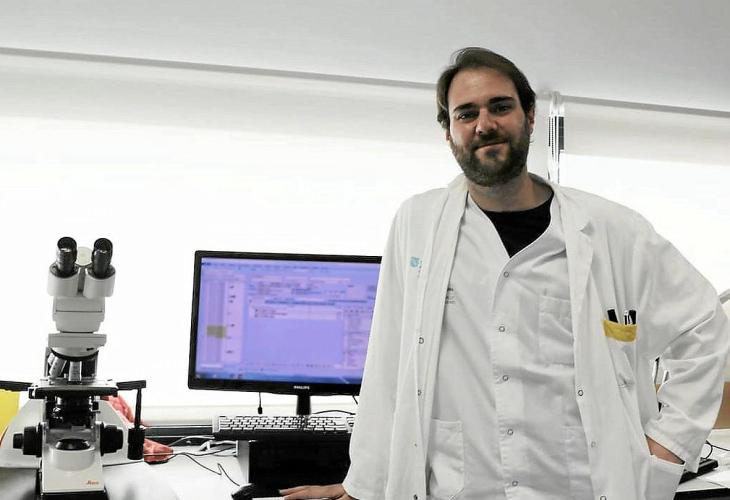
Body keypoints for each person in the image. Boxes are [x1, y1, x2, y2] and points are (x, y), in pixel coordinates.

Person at [281, 47, 730, 500]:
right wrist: (364, 485)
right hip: (459, 489)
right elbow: (388, 363)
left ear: (530, 117)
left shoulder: (613, 230)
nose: (484, 124)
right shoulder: (417, 223)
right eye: (466, 113)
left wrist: (667, 447)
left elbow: (705, 326)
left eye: (500, 106)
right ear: (448, 132)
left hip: (580, 488)